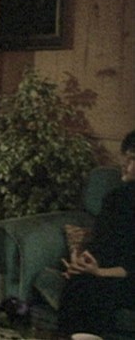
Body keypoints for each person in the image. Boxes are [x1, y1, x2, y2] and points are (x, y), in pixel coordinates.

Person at [58, 129, 135, 338]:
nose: (124, 164)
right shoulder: (116, 198)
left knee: (94, 290)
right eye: (125, 157)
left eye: (133, 159)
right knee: (79, 283)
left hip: (127, 278)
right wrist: (80, 263)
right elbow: (101, 242)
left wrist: (100, 272)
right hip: (106, 272)